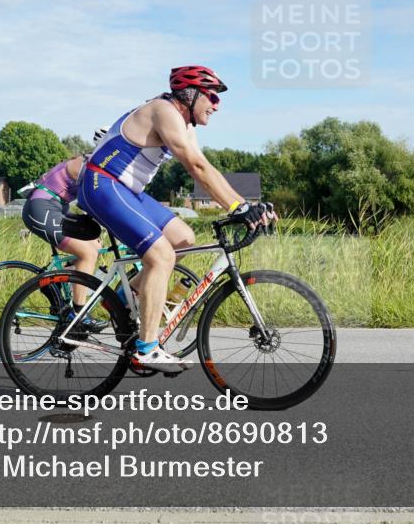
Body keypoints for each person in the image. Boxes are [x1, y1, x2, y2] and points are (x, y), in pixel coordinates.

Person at [78, 66, 273, 372]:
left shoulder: (184, 124)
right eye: (211, 96)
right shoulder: (163, 110)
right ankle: (146, 349)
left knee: (183, 238)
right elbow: (195, 166)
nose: (216, 105)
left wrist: (245, 206)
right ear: (189, 94)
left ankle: (119, 300)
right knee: (161, 256)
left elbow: (206, 168)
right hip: (102, 183)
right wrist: (239, 207)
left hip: (126, 189)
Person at [21, 126, 110, 333]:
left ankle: (60, 284)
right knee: (87, 252)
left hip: (55, 207)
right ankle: (78, 314)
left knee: (92, 245)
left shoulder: (95, 164)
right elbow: (94, 202)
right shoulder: (89, 167)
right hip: (42, 208)